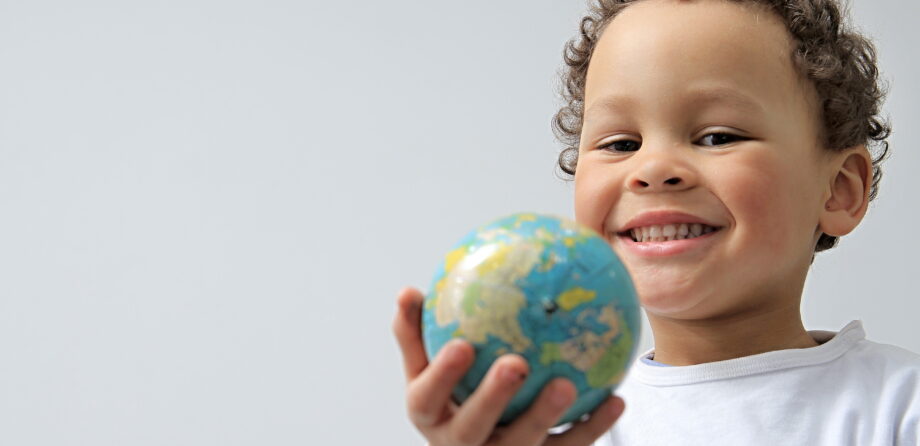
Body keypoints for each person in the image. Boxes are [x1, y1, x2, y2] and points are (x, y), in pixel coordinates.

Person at [392, 0, 920, 444]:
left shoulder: (898, 406)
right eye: (621, 143)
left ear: (840, 189)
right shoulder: (557, 426)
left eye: (717, 136)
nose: (653, 171)